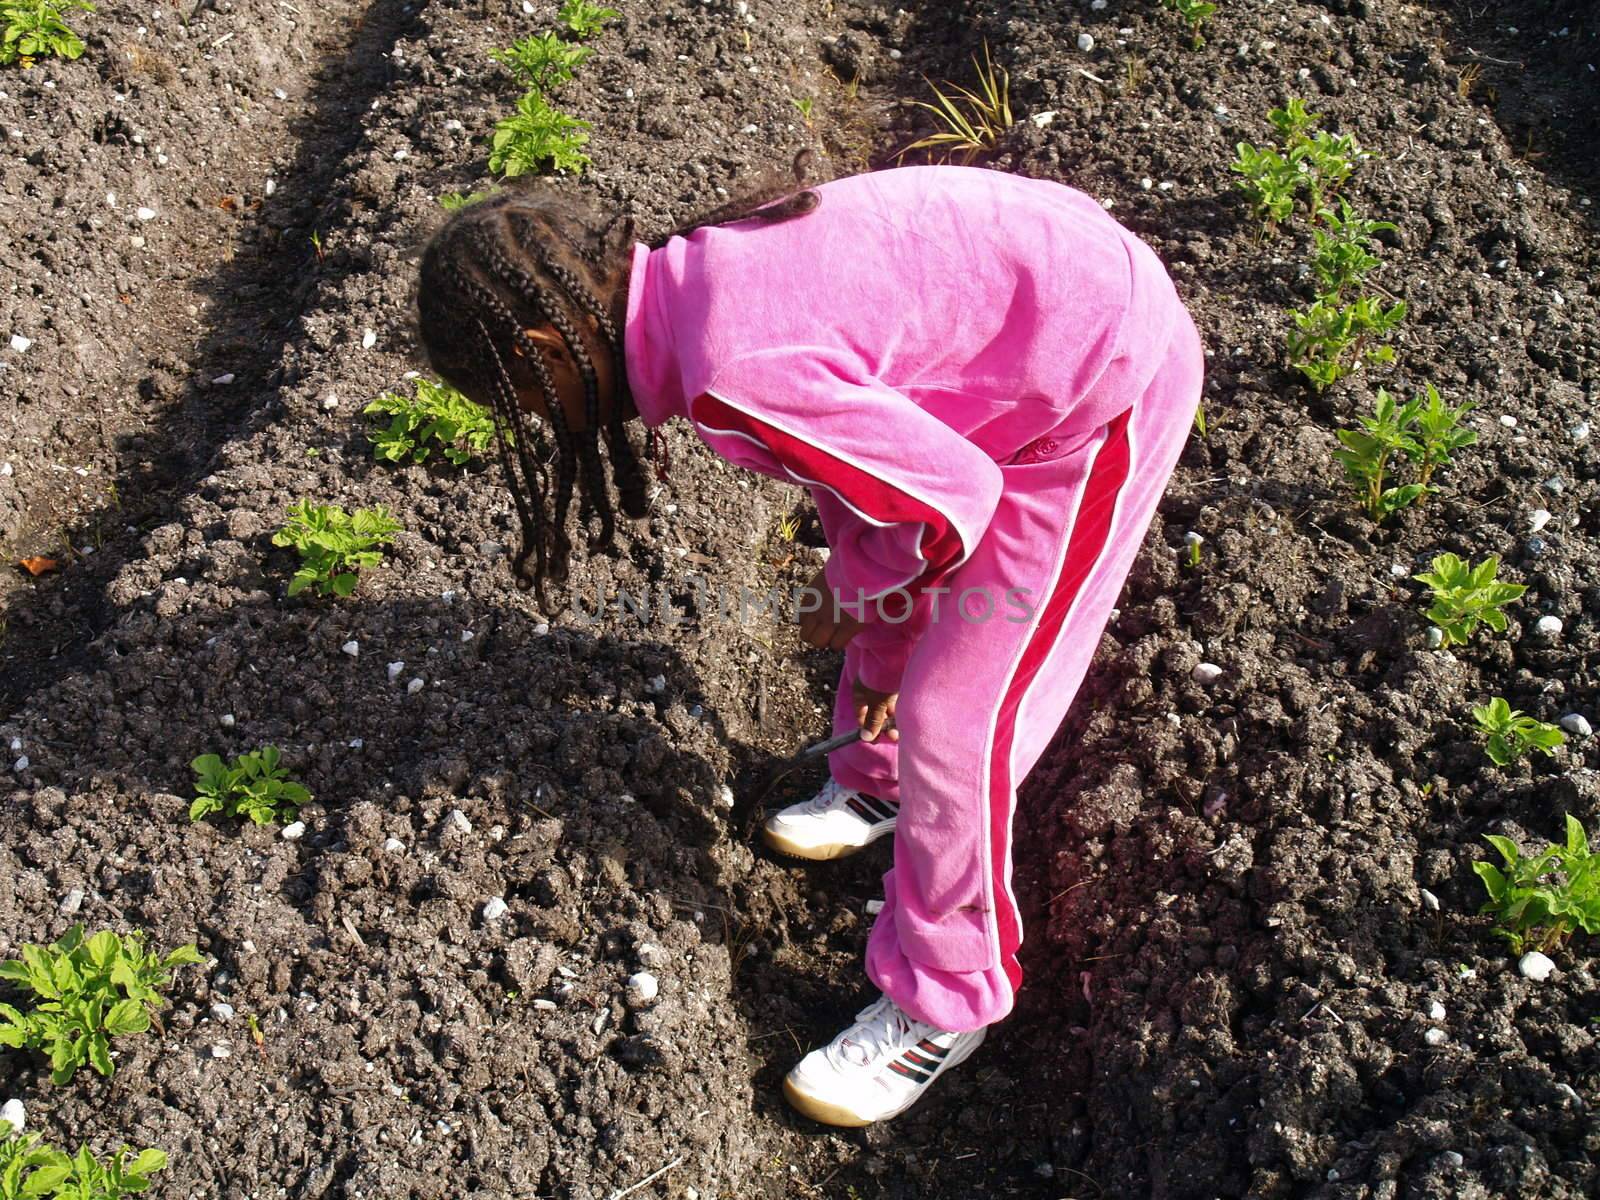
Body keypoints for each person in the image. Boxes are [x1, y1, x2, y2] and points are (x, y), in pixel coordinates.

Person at [415, 163, 1203, 1127]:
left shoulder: (729, 368)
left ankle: (948, 999)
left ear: (552, 343)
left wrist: (853, 602)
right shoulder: (698, 285)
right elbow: (870, 484)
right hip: (1019, 355)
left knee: (961, 715)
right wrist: (871, 616)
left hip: (1094, 393)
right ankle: (878, 776)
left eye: (531, 401)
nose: (544, 422)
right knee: (872, 553)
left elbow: (953, 498)